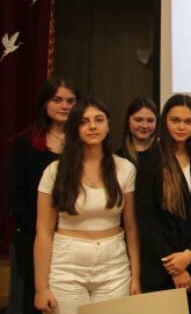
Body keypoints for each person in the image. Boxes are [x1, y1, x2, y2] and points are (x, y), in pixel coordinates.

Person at [34, 97, 140, 314]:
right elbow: (43, 232)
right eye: (84, 121)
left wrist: (136, 277)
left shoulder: (125, 168)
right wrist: (41, 288)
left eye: (99, 120)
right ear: (74, 128)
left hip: (114, 266)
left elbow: (131, 228)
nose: (92, 126)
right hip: (67, 266)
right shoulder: (54, 171)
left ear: (108, 125)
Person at [135, 94, 191, 314]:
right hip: (162, 271)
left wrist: (188, 255)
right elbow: (147, 220)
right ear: (164, 122)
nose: (182, 127)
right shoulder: (149, 159)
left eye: (188, 121)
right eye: (175, 120)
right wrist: (176, 268)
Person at [8, 78, 79, 314]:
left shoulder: (83, 143)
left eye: (71, 101)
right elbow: (16, 198)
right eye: (57, 100)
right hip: (34, 237)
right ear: (45, 103)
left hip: (74, 240)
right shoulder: (23, 144)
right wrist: (44, 230)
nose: (65, 106)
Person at [118, 96, 158, 162]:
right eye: (138, 120)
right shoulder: (117, 159)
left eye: (150, 120)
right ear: (128, 121)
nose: (144, 126)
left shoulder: (165, 155)